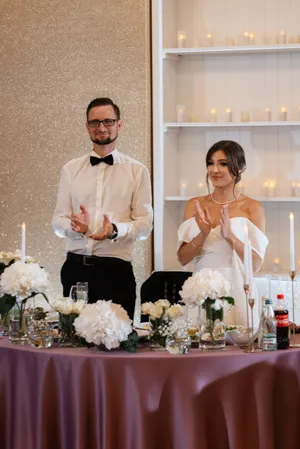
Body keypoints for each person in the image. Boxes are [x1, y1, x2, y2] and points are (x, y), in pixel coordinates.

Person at [52, 97, 153, 319]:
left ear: (119, 124)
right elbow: (58, 222)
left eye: (108, 121)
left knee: (117, 343)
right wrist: (74, 227)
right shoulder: (70, 169)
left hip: (116, 272)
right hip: (75, 269)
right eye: (95, 122)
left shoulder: (137, 171)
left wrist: (115, 230)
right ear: (87, 126)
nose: (101, 127)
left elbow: (145, 226)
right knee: (73, 342)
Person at [177, 140, 268, 327]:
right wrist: (202, 234)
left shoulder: (252, 208)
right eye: (210, 163)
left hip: (237, 287)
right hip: (200, 288)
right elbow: (182, 258)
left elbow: (256, 264)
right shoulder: (194, 205)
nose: (214, 170)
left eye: (223, 164)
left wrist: (230, 237)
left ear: (240, 168)